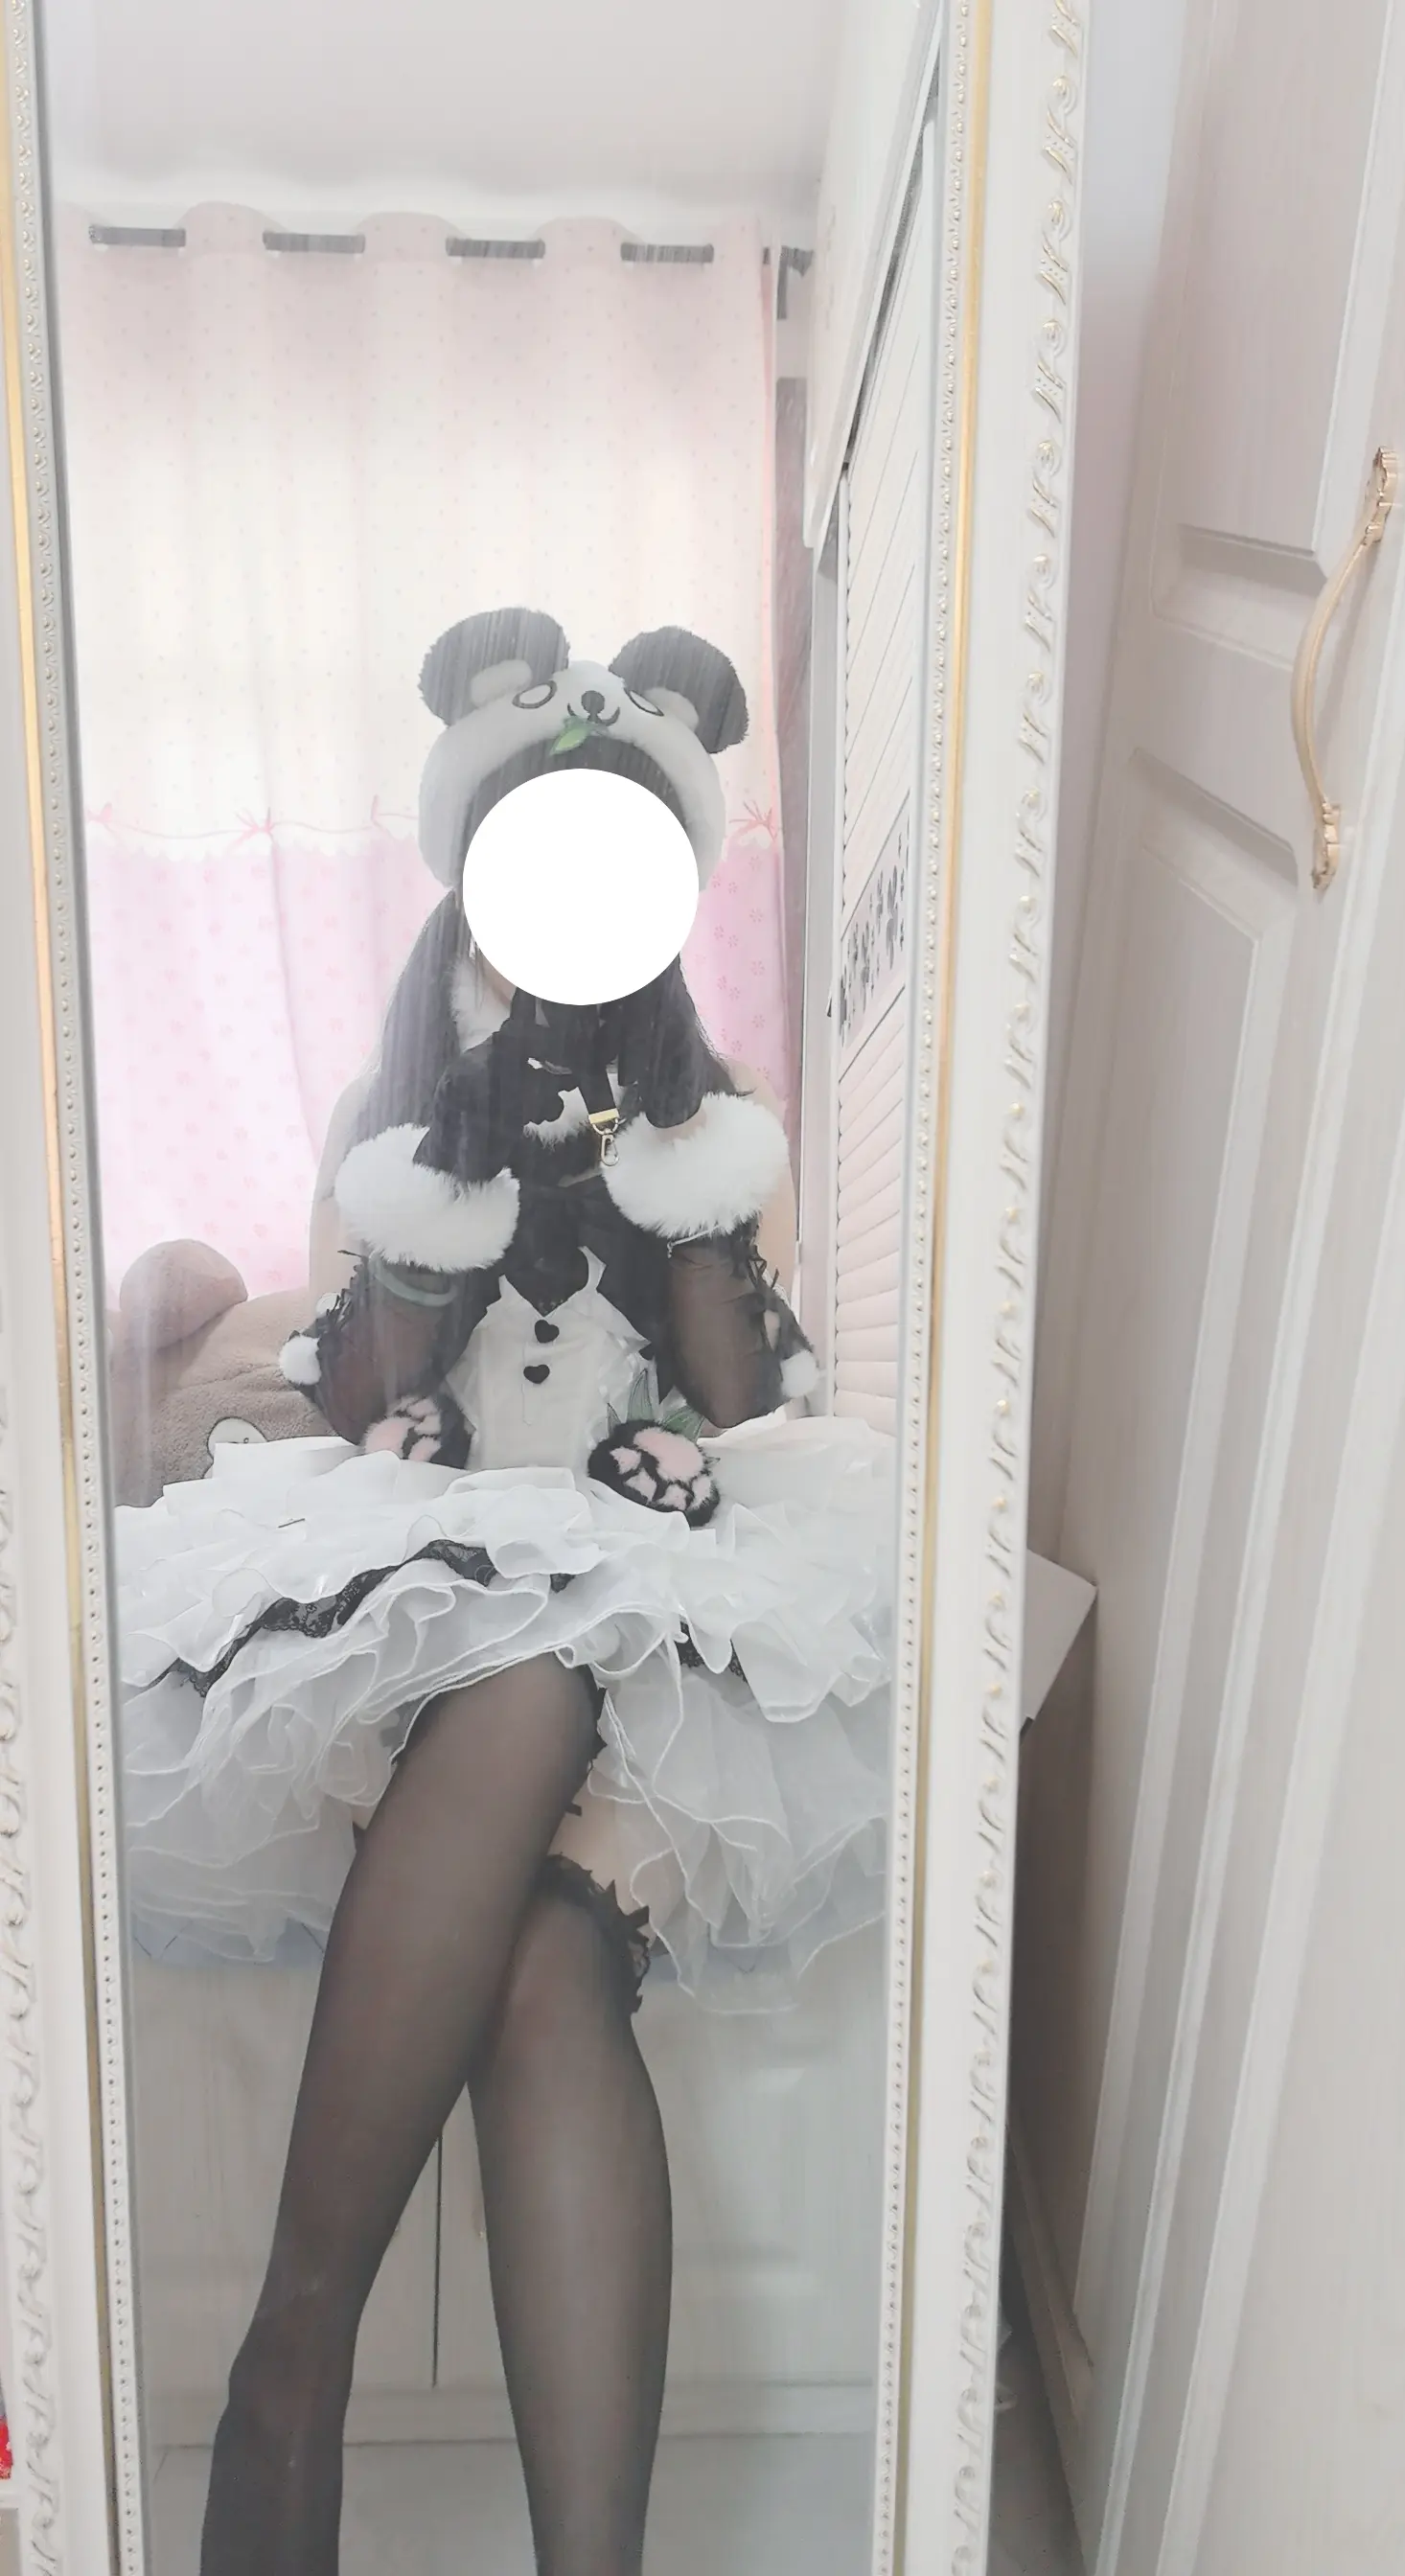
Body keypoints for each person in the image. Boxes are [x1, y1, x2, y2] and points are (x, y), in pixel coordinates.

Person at [115, 624, 891, 2576]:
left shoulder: (714, 1115)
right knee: (523, 1735)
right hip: (440, 1580)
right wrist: (458, 1164)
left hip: (670, 1580)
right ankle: (304, 2382)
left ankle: (290, 2376)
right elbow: (359, 1396)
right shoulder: (393, 1111)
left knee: (554, 1914)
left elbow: (738, 1396)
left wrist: (661, 1145)